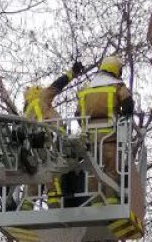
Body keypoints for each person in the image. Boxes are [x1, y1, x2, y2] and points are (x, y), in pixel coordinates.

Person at [19, 61, 84, 209]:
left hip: (33, 149)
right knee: (52, 176)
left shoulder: (26, 114)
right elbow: (57, 86)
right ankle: (55, 207)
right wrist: (72, 73)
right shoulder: (41, 98)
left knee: (34, 180)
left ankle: (25, 209)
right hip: (49, 141)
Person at [77, 55, 134, 205]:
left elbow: (77, 115)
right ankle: (111, 201)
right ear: (115, 69)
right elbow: (128, 104)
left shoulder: (85, 89)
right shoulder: (117, 85)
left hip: (89, 138)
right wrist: (123, 117)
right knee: (111, 169)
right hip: (109, 137)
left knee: (94, 171)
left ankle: (96, 202)